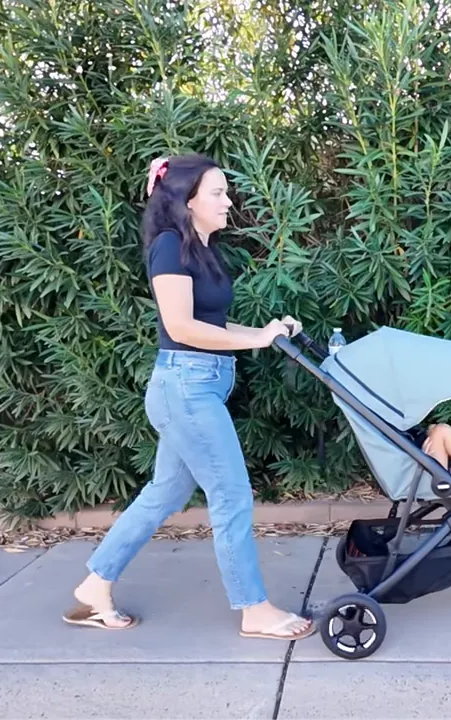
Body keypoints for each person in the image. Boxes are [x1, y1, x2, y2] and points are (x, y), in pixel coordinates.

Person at [62, 153, 315, 641]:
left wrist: (267, 332)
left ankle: (94, 587)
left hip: (200, 383)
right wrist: (256, 341)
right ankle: (254, 610)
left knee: (164, 494)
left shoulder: (200, 249)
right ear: (187, 200)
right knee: (232, 496)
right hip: (186, 388)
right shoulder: (169, 247)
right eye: (218, 193)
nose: (228, 201)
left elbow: (211, 325)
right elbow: (180, 328)